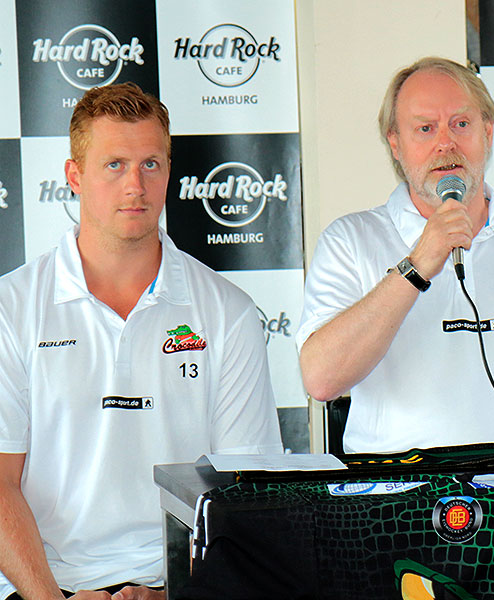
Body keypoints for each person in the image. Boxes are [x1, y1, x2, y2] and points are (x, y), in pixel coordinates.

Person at [0, 83, 283, 600]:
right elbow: (0, 484)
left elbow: (247, 497)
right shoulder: (10, 308)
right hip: (47, 588)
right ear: (74, 176)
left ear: (169, 173)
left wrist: (178, 595)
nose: (136, 184)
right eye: (114, 165)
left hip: (181, 588)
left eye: (151, 164)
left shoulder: (229, 313)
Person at [298, 57, 494, 453]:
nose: (445, 142)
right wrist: (418, 265)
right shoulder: (350, 240)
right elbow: (322, 380)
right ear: (395, 144)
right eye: (425, 128)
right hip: (399, 496)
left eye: (461, 124)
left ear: (487, 132)